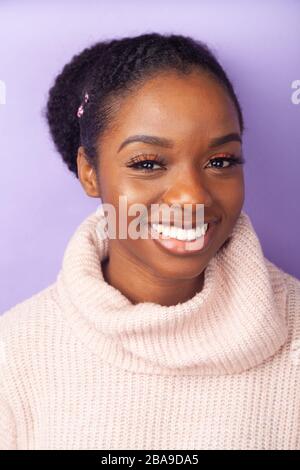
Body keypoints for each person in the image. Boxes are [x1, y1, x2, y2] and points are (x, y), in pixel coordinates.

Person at [0, 32, 299, 450]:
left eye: (221, 161)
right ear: (90, 172)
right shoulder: (13, 356)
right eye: (148, 163)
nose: (192, 196)